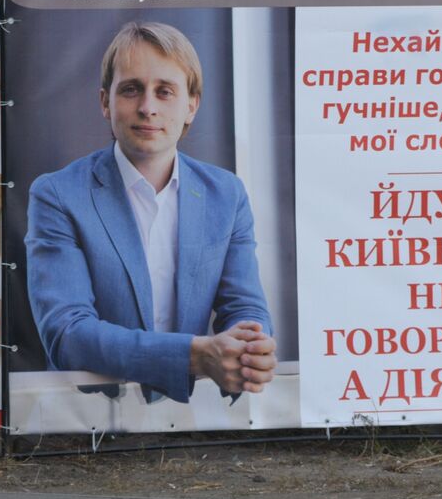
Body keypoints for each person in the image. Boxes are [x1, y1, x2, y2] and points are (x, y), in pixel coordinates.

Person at [25, 22, 276, 404]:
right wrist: (196, 356)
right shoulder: (58, 195)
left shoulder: (227, 195)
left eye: (165, 91)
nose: (147, 107)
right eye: (130, 89)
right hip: (84, 423)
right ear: (105, 102)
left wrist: (251, 348)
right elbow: (68, 334)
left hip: (197, 428)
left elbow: (244, 308)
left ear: (192, 105)